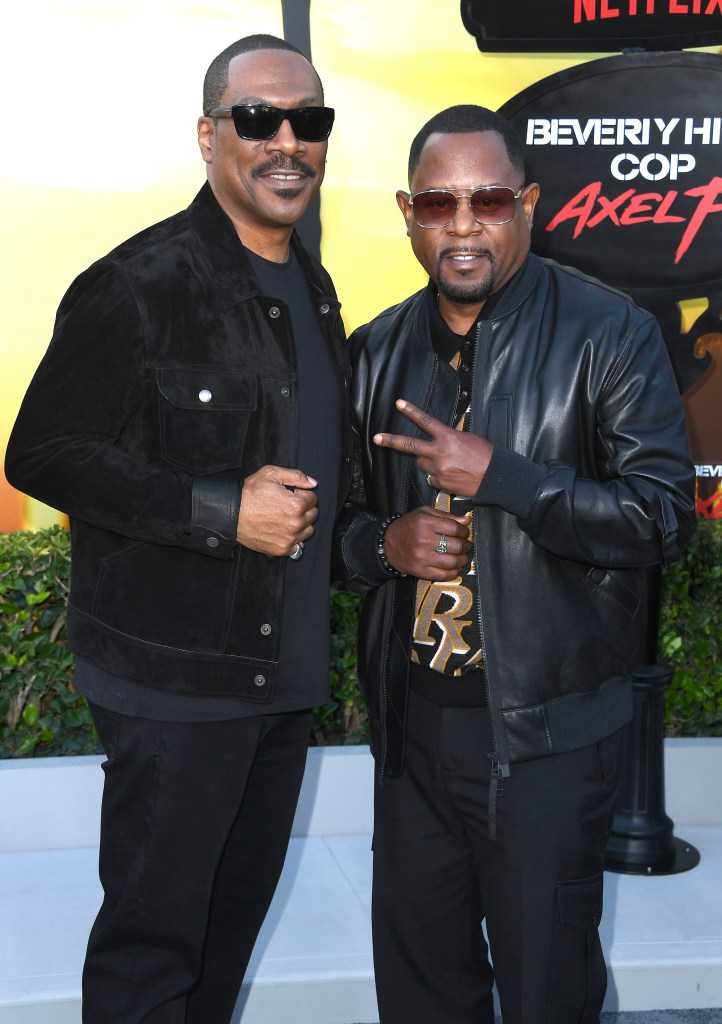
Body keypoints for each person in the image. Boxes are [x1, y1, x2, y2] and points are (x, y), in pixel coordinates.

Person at [5, 33, 350, 1024]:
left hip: (277, 683)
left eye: (308, 121)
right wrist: (219, 509)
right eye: (258, 119)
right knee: (152, 954)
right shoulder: (139, 283)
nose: (287, 141)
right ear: (209, 135)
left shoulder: (311, 290)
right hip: (172, 688)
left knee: (226, 932)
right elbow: (42, 454)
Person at [333, 105, 696, 1024]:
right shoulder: (374, 351)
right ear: (408, 214)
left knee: (546, 991)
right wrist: (387, 546)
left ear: (527, 205)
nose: (463, 223)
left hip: (544, 742)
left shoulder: (608, 332)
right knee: (421, 994)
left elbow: (661, 520)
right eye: (438, 202)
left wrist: (510, 479)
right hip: (413, 738)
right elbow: (332, 534)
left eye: (488, 198)